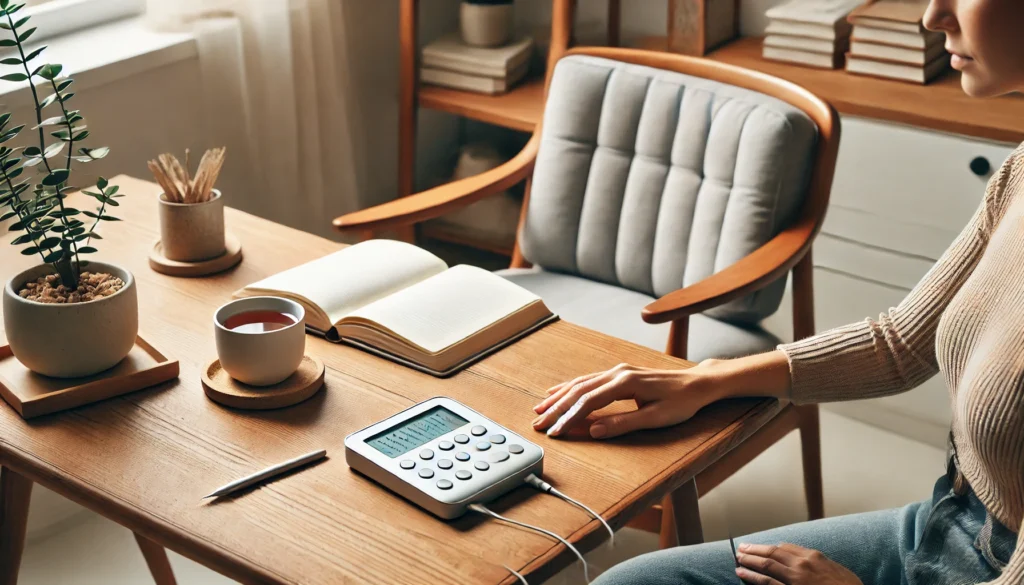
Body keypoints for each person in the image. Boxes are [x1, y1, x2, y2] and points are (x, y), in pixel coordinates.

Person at [531, 1, 1024, 583]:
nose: (932, 16)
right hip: (949, 522)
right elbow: (899, 344)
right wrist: (708, 378)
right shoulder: (1019, 172)